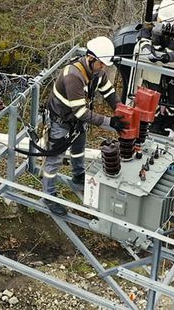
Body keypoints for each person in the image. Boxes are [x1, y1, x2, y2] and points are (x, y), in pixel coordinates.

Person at [42, 36, 128, 216]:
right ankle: (48, 196)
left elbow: (110, 93)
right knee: (54, 159)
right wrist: (110, 122)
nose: (103, 67)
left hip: (76, 120)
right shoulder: (73, 76)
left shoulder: (97, 73)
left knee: (79, 148)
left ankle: (78, 175)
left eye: (105, 65)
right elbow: (81, 112)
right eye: (101, 64)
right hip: (61, 121)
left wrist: (121, 111)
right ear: (91, 58)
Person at [137, 8, 174, 137]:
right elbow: (142, 37)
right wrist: (148, 51)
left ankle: (169, 125)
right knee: (153, 95)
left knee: (173, 99)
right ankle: (152, 125)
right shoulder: (152, 18)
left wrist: (169, 57)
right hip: (154, 68)